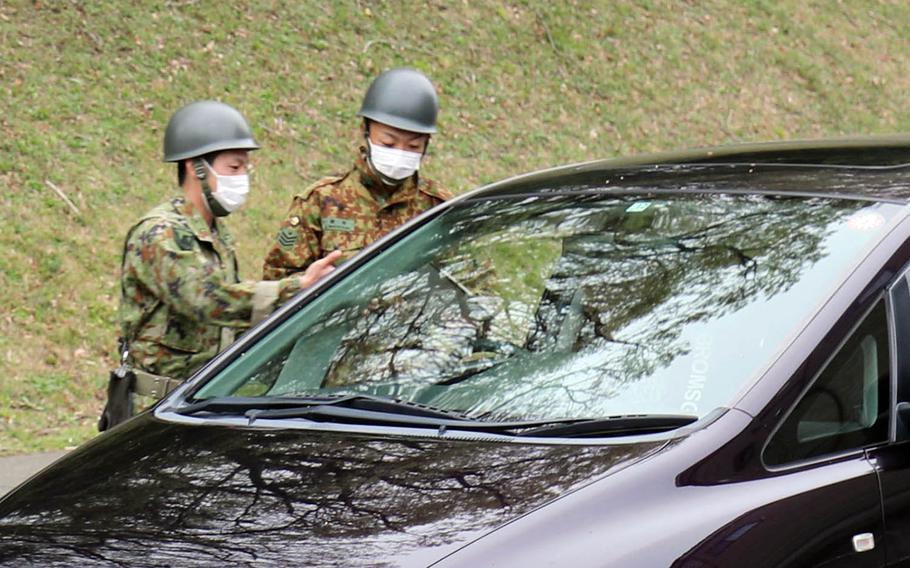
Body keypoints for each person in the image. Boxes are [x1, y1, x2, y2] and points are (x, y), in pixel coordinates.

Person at [99, 100, 340, 430]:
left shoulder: (215, 234)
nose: (243, 179)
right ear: (194, 166)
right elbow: (207, 301)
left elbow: (227, 326)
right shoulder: (159, 234)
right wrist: (295, 288)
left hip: (196, 406)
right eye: (233, 168)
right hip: (152, 413)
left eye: (245, 168)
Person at [262, 67, 453, 280]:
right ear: (366, 132)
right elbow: (276, 281)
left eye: (413, 146)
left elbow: (472, 281)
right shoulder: (321, 201)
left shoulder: (438, 209)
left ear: (426, 144)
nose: (399, 154)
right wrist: (306, 284)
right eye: (388, 143)